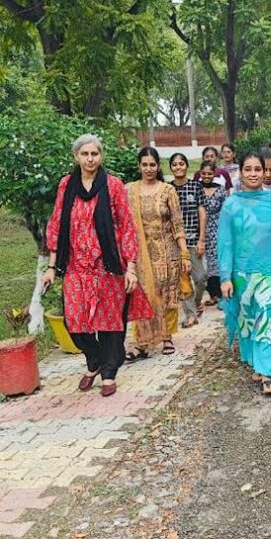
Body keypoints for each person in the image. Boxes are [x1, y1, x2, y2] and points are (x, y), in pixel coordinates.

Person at [43, 135, 150, 397]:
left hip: (107, 266)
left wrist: (131, 268)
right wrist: (51, 267)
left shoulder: (113, 185)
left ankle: (109, 372)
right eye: (85, 154)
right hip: (76, 266)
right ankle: (94, 361)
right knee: (74, 322)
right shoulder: (66, 185)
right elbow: (56, 223)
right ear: (76, 156)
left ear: (101, 156)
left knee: (110, 322)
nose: (90, 159)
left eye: (94, 154)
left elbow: (127, 227)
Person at [219, 152, 271, 396]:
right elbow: (225, 243)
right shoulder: (231, 204)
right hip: (241, 274)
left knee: (268, 317)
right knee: (248, 320)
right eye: (248, 169)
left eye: (257, 169)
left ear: (265, 172)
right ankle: (256, 362)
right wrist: (225, 277)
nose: (253, 174)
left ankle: (267, 372)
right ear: (240, 172)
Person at [126, 147, 190, 359]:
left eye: (152, 164)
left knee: (165, 296)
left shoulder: (167, 191)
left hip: (167, 253)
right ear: (139, 166)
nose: (148, 169)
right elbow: (124, 225)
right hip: (140, 255)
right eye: (144, 165)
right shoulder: (129, 191)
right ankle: (142, 342)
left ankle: (166, 337)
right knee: (142, 296)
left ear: (158, 166)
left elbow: (177, 224)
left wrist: (184, 254)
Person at [169, 153, 207, 327]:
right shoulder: (168, 189)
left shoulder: (196, 186)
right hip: (175, 243)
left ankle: (197, 303)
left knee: (200, 278)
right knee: (183, 280)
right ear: (171, 167)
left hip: (193, 241)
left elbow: (202, 213)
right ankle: (190, 315)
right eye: (175, 164)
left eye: (181, 163)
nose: (178, 167)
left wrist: (202, 240)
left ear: (186, 166)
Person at [199, 161, 227, 306]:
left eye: (209, 173)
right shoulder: (196, 189)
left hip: (218, 229)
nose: (206, 176)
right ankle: (212, 294)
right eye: (203, 173)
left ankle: (222, 295)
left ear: (214, 174)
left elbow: (226, 210)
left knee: (218, 261)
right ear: (200, 173)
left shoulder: (220, 190)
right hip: (201, 230)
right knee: (206, 264)